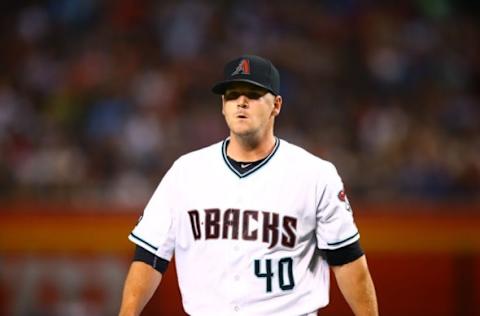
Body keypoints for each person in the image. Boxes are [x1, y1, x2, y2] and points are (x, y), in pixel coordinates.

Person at [118, 55, 378, 316]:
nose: (241, 102)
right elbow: (149, 256)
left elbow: (347, 262)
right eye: (232, 95)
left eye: (253, 94)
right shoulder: (186, 172)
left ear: (276, 105)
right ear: (223, 105)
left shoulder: (315, 175)